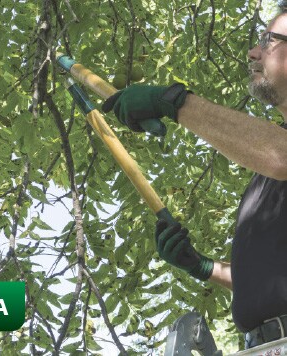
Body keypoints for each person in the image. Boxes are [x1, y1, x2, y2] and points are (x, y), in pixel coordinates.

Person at [102, 7, 287, 351]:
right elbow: (272, 280)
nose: (253, 52)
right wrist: (202, 266)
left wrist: (174, 102)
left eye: (268, 40)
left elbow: (281, 154)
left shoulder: (277, 158)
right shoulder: (264, 180)